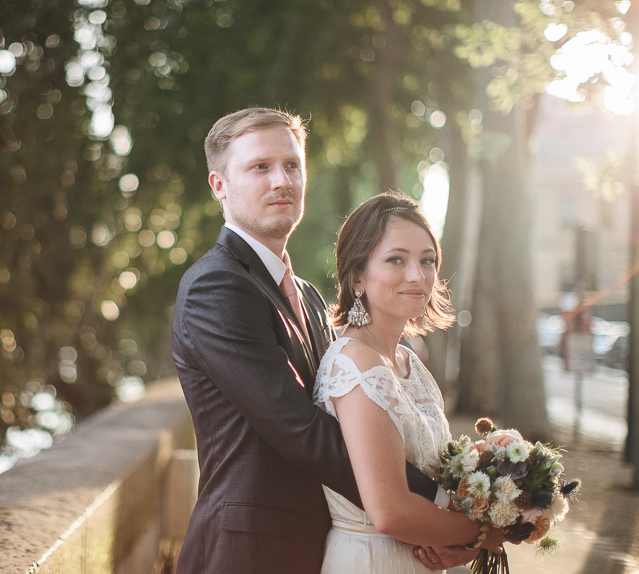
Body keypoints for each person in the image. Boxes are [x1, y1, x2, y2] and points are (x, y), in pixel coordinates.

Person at [171, 108, 456, 573]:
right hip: (248, 554)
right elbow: (301, 429)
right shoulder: (216, 287)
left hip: (321, 549)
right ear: (219, 185)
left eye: (292, 165)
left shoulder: (306, 296)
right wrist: (435, 506)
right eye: (260, 167)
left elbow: (352, 418)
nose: (281, 181)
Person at [314, 191, 501, 572]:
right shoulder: (355, 364)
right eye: (396, 259)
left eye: (427, 260)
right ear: (357, 276)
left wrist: (462, 540)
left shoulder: (408, 362)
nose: (417, 275)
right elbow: (391, 512)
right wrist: (481, 534)